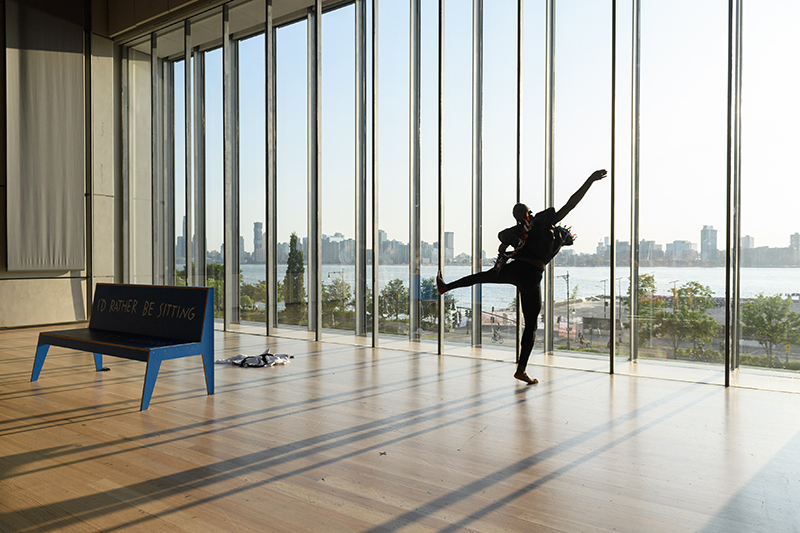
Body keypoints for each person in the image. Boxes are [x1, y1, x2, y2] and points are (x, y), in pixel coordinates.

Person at [437, 169, 607, 385]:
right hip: (531, 275)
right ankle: (521, 370)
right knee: (531, 326)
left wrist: (504, 246)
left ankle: (446, 287)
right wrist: (590, 180)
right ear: (531, 213)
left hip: (514, 269)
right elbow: (570, 204)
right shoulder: (543, 223)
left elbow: (504, 241)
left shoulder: (516, 232)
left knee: (480, 277)